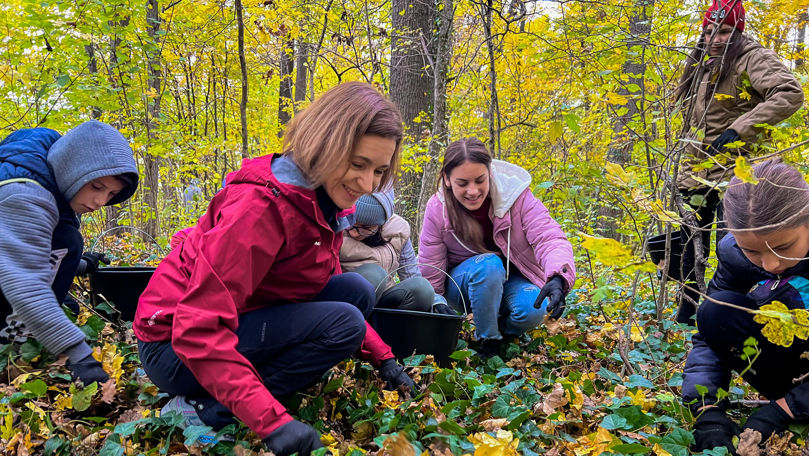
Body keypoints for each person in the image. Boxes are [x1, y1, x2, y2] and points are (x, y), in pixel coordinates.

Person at [133, 82, 415, 455]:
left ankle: (228, 396)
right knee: (343, 323)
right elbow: (195, 328)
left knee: (355, 291)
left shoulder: (323, 203)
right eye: (357, 164)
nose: (367, 184)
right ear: (324, 143)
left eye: (379, 170)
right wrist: (271, 422)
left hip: (243, 317)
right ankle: (204, 409)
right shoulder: (259, 209)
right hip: (172, 347)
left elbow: (322, 283)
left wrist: (384, 358)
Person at [673, 0, 804, 323]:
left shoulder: (751, 58)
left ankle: (735, 310)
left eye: (725, 31)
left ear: (738, 32)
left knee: (733, 247)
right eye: (709, 31)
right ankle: (688, 308)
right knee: (690, 242)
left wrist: (739, 129)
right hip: (696, 171)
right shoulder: (702, 63)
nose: (715, 38)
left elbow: (789, 92)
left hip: (740, 171)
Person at [683, 160, 809, 453]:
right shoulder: (734, 255)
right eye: (752, 250)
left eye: (784, 246)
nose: (771, 264)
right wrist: (707, 409)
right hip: (790, 367)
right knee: (715, 311)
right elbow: (709, 336)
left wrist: (785, 409)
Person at [0, 120, 139, 385]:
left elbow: (24, 250)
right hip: (14, 286)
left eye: (111, 193)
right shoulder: (24, 194)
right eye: (96, 187)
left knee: (69, 293)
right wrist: (78, 354)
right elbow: (24, 283)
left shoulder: (48, 180)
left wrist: (82, 264)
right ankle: (11, 343)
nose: (101, 202)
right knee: (67, 239)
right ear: (71, 168)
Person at [418, 138, 576, 359]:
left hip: (510, 278)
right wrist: (435, 304)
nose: (472, 191)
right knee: (490, 264)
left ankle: (503, 331)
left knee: (533, 309)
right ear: (446, 179)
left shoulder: (516, 197)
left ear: (489, 173)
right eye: (462, 183)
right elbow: (430, 265)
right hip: (462, 284)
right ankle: (487, 341)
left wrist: (559, 277)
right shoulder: (437, 210)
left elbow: (548, 237)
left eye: (479, 180)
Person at [340, 190, 454, 314]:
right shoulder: (336, 226)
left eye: (366, 227)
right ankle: (351, 327)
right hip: (348, 298)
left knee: (422, 289)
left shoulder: (398, 231)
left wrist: (436, 301)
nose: (354, 232)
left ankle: (388, 330)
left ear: (382, 223)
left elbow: (411, 275)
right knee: (374, 274)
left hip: (382, 298)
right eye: (351, 222)